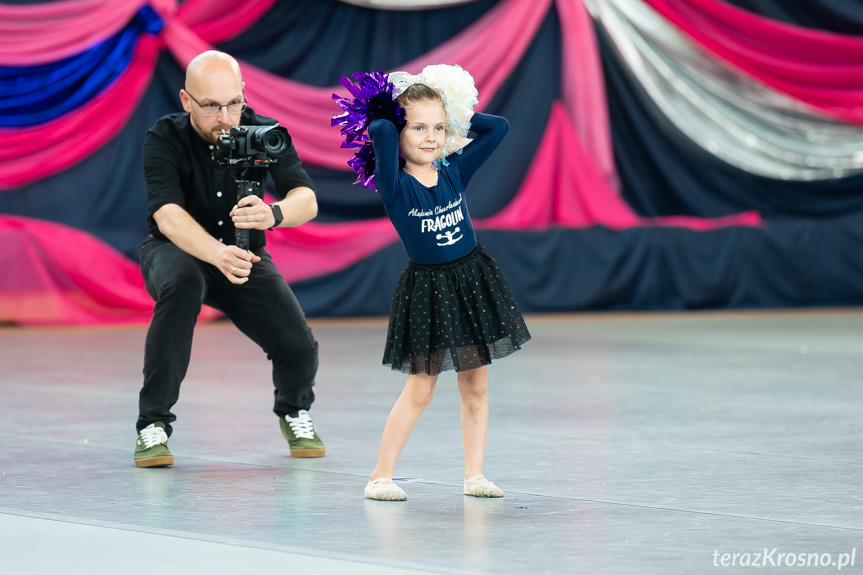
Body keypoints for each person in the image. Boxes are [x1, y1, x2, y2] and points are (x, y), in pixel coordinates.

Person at [332, 65, 531, 500]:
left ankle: (474, 475)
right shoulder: (395, 185)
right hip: (430, 290)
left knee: (476, 385)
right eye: (419, 127)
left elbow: (497, 128)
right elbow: (382, 128)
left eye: (439, 128)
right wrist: (392, 114)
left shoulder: (455, 170)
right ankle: (380, 476)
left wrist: (454, 111)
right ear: (402, 132)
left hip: (472, 280)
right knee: (421, 387)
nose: (431, 136)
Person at [134, 50, 324, 468]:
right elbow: (166, 215)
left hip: (243, 255)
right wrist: (216, 253)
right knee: (183, 286)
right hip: (177, 251)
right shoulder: (164, 136)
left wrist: (274, 214)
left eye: (233, 103)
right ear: (186, 101)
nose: (226, 117)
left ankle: (294, 410)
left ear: (243, 94)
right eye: (211, 106)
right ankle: (153, 426)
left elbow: (306, 199)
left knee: (298, 346)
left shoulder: (264, 132)